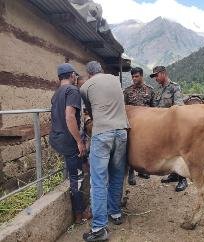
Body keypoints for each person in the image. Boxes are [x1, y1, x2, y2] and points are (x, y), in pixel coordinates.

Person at [81, 61, 129, 242]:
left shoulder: (85, 87)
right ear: (102, 70)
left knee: (99, 181)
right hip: (122, 132)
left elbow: (91, 112)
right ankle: (115, 213)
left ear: (89, 73)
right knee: (117, 175)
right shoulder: (116, 81)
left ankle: (99, 228)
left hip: (102, 134)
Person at [49, 63, 87, 224]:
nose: (76, 77)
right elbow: (70, 116)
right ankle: (80, 215)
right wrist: (79, 141)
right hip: (69, 141)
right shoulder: (72, 91)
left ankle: (83, 208)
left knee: (80, 169)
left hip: (57, 138)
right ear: (72, 75)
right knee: (76, 177)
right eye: (75, 75)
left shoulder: (56, 93)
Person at [150, 65, 188, 192]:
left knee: (178, 152)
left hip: (173, 127)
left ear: (164, 73)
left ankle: (183, 179)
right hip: (160, 127)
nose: (155, 78)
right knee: (168, 152)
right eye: (154, 76)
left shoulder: (174, 87)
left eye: (156, 75)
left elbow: (179, 106)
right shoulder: (158, 90)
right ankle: (174, 174)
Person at [123, 67, 155, 185]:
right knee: (132, 148)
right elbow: (124, 109)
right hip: (132, 126)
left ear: (142, 76)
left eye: (136, 76)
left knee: (145, 147)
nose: (134, 79)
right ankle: (131, 172)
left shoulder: (150, 91)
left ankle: (143, 170)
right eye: (132, 77)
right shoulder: (127, 91)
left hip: (146, 125)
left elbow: (154, 109)